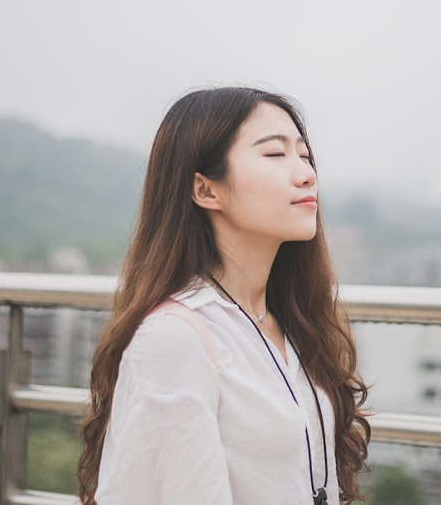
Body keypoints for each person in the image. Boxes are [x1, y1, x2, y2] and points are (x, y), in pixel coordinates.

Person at [77, 86, 370, 504]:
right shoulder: (177, 337)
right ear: (206, 190)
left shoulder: (291, 323)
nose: (306, 174)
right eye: (274, 154)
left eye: (305, 156)